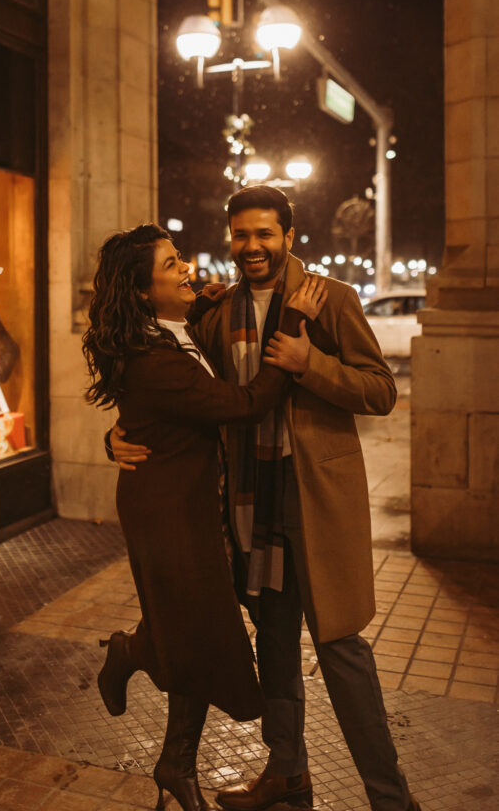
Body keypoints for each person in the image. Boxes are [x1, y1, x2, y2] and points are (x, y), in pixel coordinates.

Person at [109, 187, 422, 811]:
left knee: (341, 652)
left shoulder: (329, 299)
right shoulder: (216, 310)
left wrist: (310, 364)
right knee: (273, 643)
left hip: (316, 505)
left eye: (265, 235)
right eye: (241, 235)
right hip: (250, 507)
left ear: (289, 235)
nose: (252, 247)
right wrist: (117, 435)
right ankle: (287, 775)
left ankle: (392, 800)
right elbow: (169, 386)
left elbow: (382, 390)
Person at [82, 222, 327, 811]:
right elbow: (245, 403)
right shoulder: (152, 359)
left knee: (190, 632)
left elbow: (152, 413)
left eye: (181, 258)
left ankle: (175, 763)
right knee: (196, 634)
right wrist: (293, 328)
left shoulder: (172, 331)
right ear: (143, 290)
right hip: (167, 512)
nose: (187, 268)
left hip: (193, 502)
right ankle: (133, 654)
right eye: (172, 265)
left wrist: (222, 296)